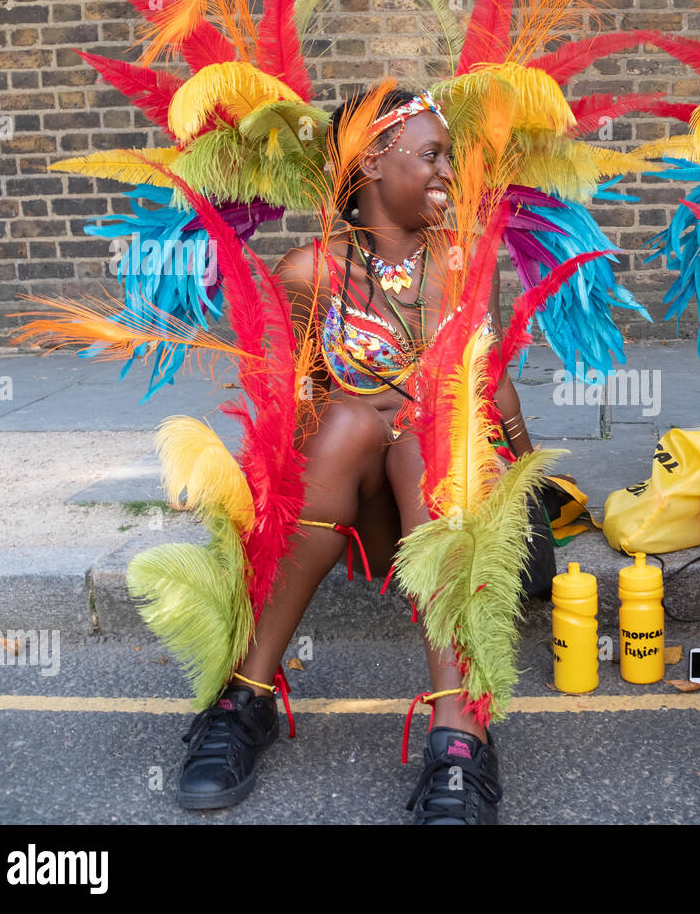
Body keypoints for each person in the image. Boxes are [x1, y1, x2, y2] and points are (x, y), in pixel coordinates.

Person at [174, 87, 528, 824]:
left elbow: (493, 391)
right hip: (350, 509)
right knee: (344, 424)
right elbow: (281, 423)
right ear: (372, 162)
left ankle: (461, 739)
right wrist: (374, 411)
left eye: (451, 159)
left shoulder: (464, 262)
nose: (449, 175)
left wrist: (537, 492)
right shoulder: (310, 273)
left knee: (435, 435)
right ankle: (246, 698)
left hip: (451, 507)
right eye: (432, 156)